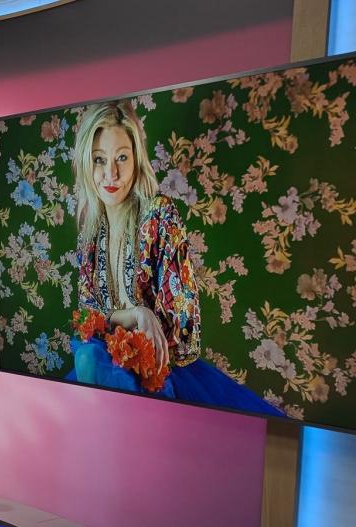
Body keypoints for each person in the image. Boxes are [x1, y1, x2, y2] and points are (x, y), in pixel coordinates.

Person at [69, 101, 282, 416]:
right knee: (86, 359)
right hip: (102, 365)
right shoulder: (90, 232)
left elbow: (184, 321)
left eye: (122, 158)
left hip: (158, 371)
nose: (111, 174)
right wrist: (134, 314)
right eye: (100, 159)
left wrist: (137, 334)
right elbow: (87, 316)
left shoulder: (159, 215)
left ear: (137, 160)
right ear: (87, 163)